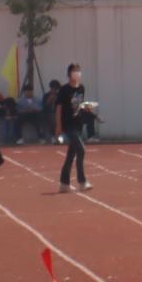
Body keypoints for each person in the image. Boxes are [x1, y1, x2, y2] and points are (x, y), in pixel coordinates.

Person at [56, 63, 93, 192]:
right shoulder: (64, 89)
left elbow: (80, 104)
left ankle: (64, 183)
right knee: (81, 150)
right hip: (68, 125)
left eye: (79, 70)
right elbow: (59, 108)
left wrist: (87, 107)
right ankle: (82, 181)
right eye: (75, 71)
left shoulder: (81, 88)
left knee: (71, 154)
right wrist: (58, 126)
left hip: (78, 124)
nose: (77, 73)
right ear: (69, 74)